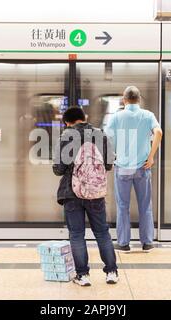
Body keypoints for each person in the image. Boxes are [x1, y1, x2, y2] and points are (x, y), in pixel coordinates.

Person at [52, 107, 118, 287]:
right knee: (102, 232)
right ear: (84, 118)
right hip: (95, 193)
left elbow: (58, 170)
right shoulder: (100, 135)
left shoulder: (66, 137)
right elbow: (109, 165)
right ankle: (111, 272)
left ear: (67, 122)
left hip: (71, 193)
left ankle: (83, 275)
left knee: (77, 234)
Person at [106, 86, 162, 253]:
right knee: (145, 205)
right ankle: (147, 243)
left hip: (122, 168)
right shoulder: (148, 115)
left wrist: (115, 154)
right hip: (142, 167)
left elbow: (107, 137)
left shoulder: (116, 117)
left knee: (123, 206)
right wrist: (151, 156)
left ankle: (123, 243)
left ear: (124, 100)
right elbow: (158, 132)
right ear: (139, 99)